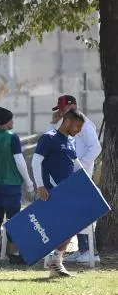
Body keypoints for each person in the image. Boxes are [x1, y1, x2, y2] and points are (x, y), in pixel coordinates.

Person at [32, 109, 87, 278]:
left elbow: (76, 164)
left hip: (66, 192)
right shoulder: (49, 138)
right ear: (67, 122)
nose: (79, 130)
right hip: (51, 192)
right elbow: (36, 161)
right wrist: (41, 186)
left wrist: (89, 184)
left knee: (72, 226)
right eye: (77, 126)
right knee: (64, 226)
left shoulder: (70, 141)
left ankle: (55, 262)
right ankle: (54, 262)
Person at [50, 95, 102, 265]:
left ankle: (89, 252)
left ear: (71, 107)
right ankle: (83, 249)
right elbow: (50, 138)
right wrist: (53, 122)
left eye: (63, 109)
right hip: (71, 175)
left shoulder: (85, 124)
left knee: (81, 213)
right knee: (75, 212)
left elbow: (96, 148)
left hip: (80, 175)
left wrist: (80, 166)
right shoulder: (67, 123)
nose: (60, 112)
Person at [0, 107, 33, 266]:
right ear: (6, 121)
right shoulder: (12, 137)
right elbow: (20, 162)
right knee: (13, 220)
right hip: (11, 184)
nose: (13, 122)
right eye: (11, 120)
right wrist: (29, 183)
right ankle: (14, 253)